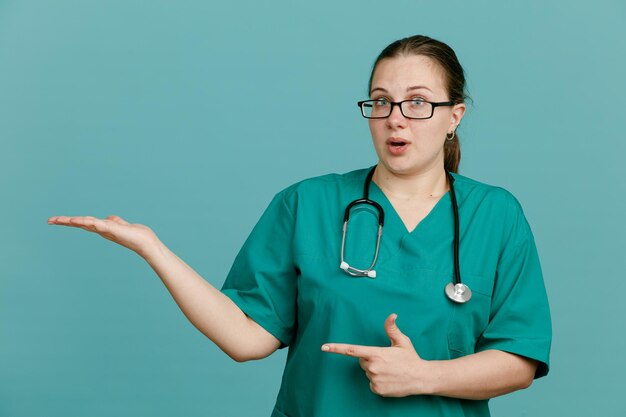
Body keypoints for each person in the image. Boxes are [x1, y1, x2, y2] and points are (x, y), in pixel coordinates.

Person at [48, 35, 551, 417]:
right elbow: (246, 339)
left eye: (417, 102)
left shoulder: (497, 215)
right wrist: (153, 248)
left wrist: (424, 376)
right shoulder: (306, 204)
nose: (395, 118)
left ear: (454, 116)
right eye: (380, 101)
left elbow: (519, 360)